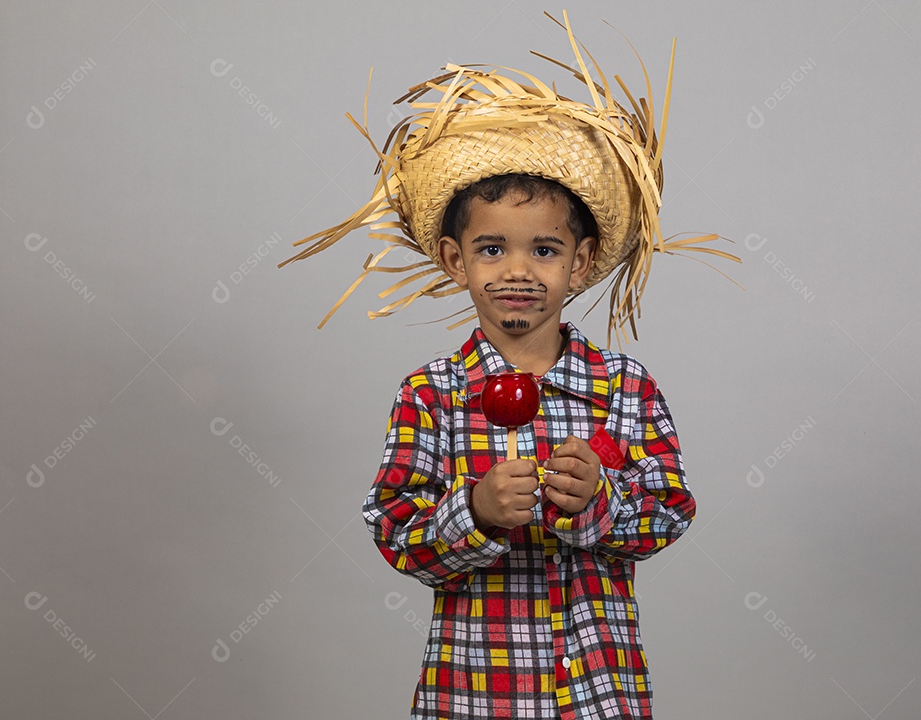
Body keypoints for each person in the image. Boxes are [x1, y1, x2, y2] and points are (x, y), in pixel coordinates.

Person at [279, 12, 739, 719]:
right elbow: (397, 531)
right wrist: (476, 513)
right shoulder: (431, 394)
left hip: (599, 693)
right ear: (454, 261)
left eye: (545, 251)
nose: (518, 270)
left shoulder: (627, 389)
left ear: (580, 262)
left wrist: (600, 502)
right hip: (475, 694)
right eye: (492, 250)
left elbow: (670, 510)